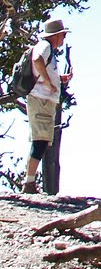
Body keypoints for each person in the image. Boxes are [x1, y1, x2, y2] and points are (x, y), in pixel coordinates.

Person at [22, 16, 71, 194]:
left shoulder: (47, 49)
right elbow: (37, 60)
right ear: (55, 36)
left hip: (43, 99)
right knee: (40, 141)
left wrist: (57, 80)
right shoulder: (44, 47)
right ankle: (29, 183)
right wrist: (49, 82)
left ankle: (30, 181)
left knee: (40, 140)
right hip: (41, 99)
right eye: (62, 35)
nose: (63, 39)